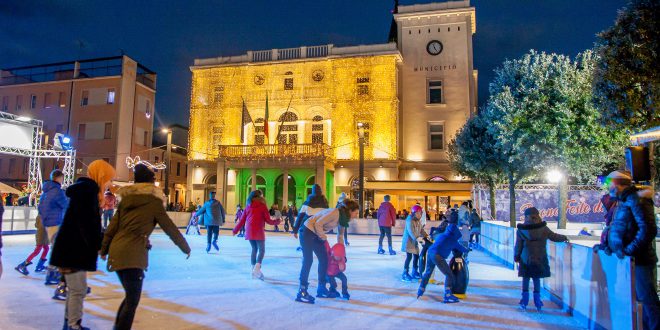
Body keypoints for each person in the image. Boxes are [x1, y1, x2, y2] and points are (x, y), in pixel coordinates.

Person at [101, 164, 191, 330]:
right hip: (132, 255)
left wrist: (104, 248)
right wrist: (185, 247)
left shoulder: (126, 201)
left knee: (130, 297)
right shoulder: (153, 202)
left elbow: (113, 227)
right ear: (150, 182)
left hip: (117, 250)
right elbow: (169, 227)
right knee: (132, 299)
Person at [50, 159, 115, 330]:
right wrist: (100, 245)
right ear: (101, 176)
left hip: (72, 248)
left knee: (76, 289)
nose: (110, 183)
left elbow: (89, 225)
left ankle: (69, 323)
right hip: (73, 250)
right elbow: (87, 225)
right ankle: (73, 325)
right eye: (109, 178)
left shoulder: (87, 192)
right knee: (78, 290)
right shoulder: (88, 193)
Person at [605, 170, 658, 329]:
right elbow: (620, 228)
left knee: (647, 300)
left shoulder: (637, 200)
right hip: (630, 259)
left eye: (609, 183)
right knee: (638, 300)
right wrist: (608, 245)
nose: (607, 188)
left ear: (617, 183)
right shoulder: (625, 200)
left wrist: (629, 250)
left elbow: (647, 229)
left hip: (639, 260)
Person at [295, 198, 359, 304]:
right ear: (350, 211)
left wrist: (342, 255)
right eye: (356, 213)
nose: (356, 215)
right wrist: (323, 237)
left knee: (324, 259)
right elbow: (318, 224)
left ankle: (321, 288)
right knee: (308, 260)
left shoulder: (343, 220)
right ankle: (302, 291)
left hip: (316, 234)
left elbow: (340, 236)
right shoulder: (335, 213)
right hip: (307, 231)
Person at [514, 207, 568, 312]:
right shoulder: (543, 229)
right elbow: (554, 236)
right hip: (540, 258)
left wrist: (516, 256)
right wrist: (564, 237)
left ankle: (524, 301)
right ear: (538, 215)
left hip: (526, 258)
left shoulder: (521, 230)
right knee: (536, 279)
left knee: (525, 278)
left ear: (526, 217)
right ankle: (537, 302)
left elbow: (518, 245)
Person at [417, 211, 469, 303]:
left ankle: (421, 289)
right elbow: (459, 247)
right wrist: (467, 249)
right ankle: (447, 295)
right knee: (449, 275)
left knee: (428, 272)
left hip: (431, 252)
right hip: (438, 255)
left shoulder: (446, 232)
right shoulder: (453, 236)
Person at [233, 190, 280, 280]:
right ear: (260, 197)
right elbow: (268, 220)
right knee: (262, 250)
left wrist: (235, 230)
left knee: (254, 249)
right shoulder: (262, 206)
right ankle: (257, 269)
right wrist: (277, 221)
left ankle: (253, 269)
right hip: (258, 231)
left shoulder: (248, 207)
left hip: (249, 231)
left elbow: (242, 220)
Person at [39, 169, 70, 286]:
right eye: (62, 178)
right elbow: (66, 205)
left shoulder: (45, 191)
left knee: (55, 248)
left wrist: (44, 219)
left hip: (47, 223)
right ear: (59, 178)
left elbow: (40, 208)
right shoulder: (57, 191)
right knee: (57, 249)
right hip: (56, 222)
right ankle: (52, 273)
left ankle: (52, 273)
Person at [293, 184, 329, 250]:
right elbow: (327, 215)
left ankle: (302, 245)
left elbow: (300, 217)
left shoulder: (307, 202)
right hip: (319, 226)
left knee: (302, 228)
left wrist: (295, 230)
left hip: (307, 226)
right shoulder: (325, 202)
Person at [401, 205, 426, 282]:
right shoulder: (409, 220)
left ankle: (414, 272)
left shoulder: (418, 220)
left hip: (414, 242)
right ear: (413, 213)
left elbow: (421, 230)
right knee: (409, 257)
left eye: (420, 213)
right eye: (418, 213)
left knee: (416, 256)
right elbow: (411, 231)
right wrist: (418, 238)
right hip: (408, 242)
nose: (420, 215)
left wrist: (427, 236)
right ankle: (405, 273)